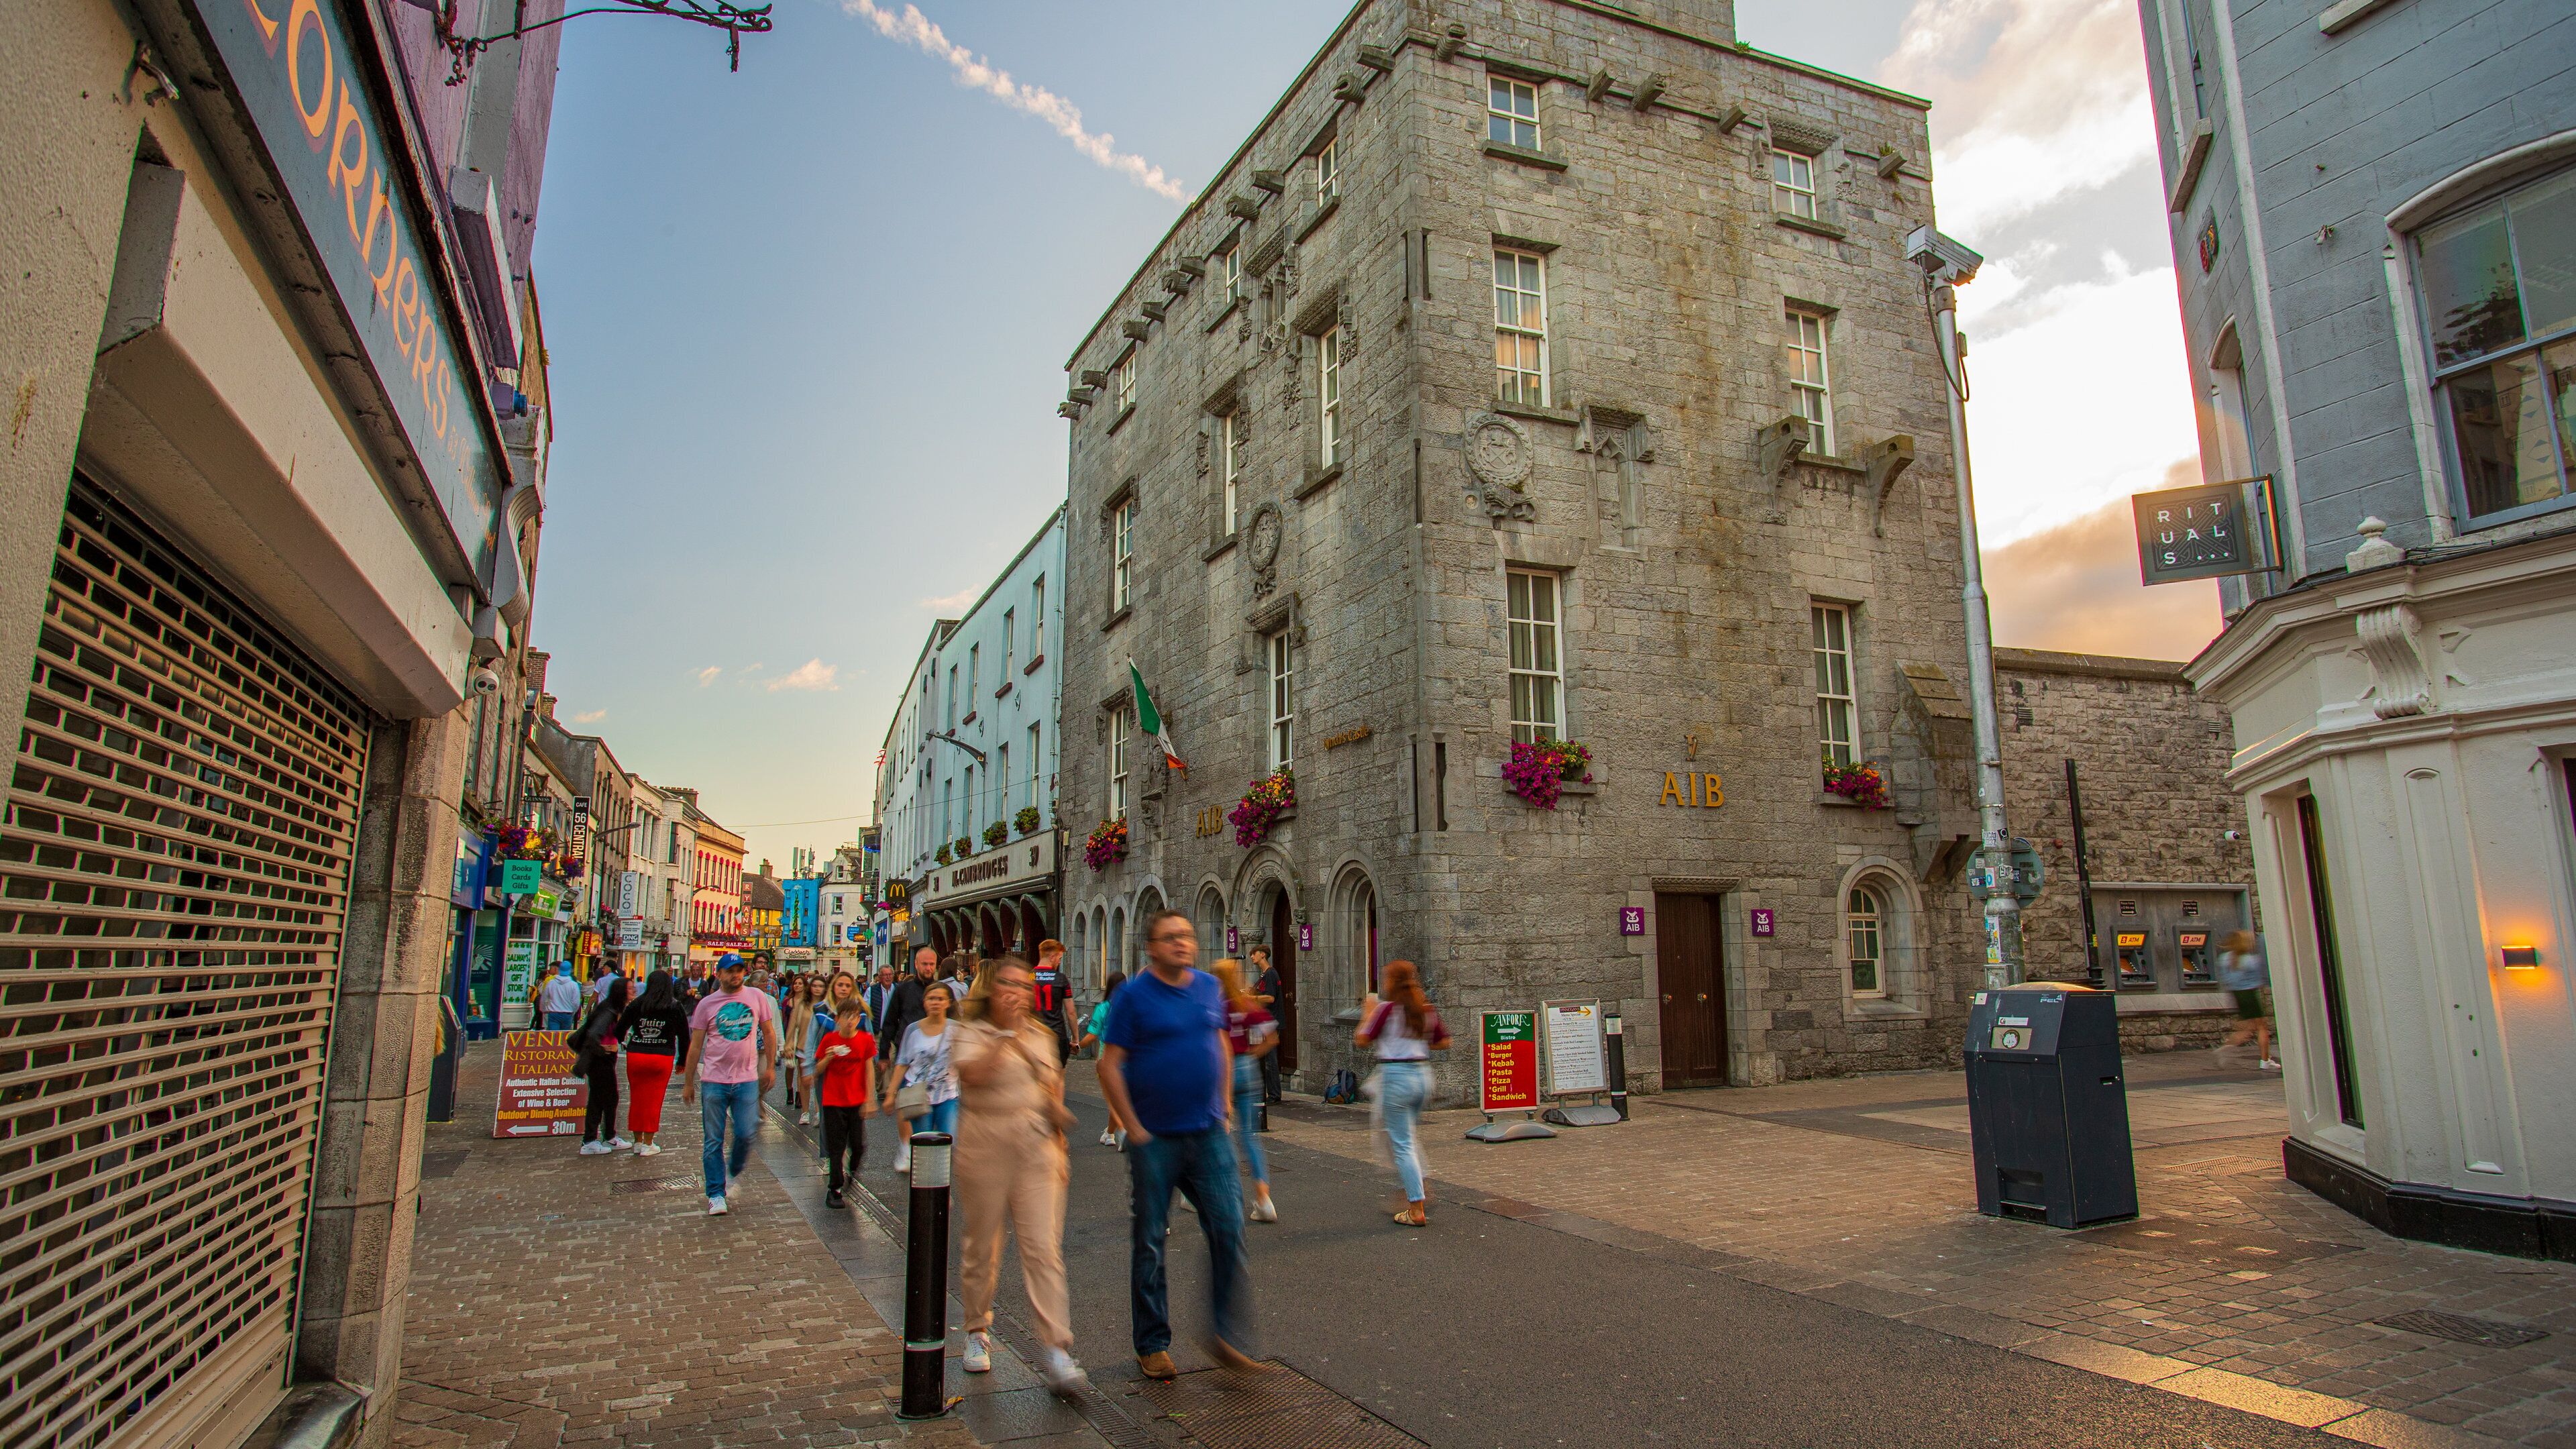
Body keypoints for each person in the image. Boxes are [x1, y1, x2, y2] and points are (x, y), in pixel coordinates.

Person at [1095, 910, 1258, 1380]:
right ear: (1151, 947)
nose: (1182, 944)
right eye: (1171, 938)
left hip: (1207, 1133)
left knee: (1229, 1229)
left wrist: (1224, 1104)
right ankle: (1152, 1344)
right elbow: (1109, 1065)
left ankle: (1225, 1335)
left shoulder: (1208, 987)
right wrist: (1134, 1128)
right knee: (1149, 1241)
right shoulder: (1133, 997)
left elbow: (1222, 1042)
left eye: (1186, 936)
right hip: (1155, 1137)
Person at [952, 956, 1085, 1391]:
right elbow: (972, 1075)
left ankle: (1057, 1348)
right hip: (986, 1142)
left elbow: (1049, 1090)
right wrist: (1006, 1036)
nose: (1018, 994)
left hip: (1035, 1147)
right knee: (983, 1247)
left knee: (1043, 1248)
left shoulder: (1045, 1037)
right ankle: (976, 1330)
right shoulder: (971, 1031)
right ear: (992, 989)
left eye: (1025, 987)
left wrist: (1060, 1148)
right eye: (1009, 985)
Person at [682, 952, 781, 1216]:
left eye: (739, 970)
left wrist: (770, 1067)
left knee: (746, 1133)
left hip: (747, 1079)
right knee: (713, 1140)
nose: (735, 975)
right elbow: (696, 1046)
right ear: (719, 974)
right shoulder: (707, 1004)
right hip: (714, 1080)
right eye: (730, 971)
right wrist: (689, 1082)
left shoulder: (756, 997)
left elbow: (769, 1032)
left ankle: (732, 1170)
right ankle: (716, 1193)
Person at [1356, 960, 1451, 1227]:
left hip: (1396, 1077)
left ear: (1391, 982)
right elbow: (1443, 1041)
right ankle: (1420, 1184)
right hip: (1422, 1076)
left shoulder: (1386, 1011)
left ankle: (1416, 1206)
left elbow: (1363, 1040)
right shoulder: (1424, 1009)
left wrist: (1367, 1012)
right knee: (1406, 1136)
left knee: (1402, 1144)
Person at [1211, 960, 1280, 1224]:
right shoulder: (1247, 1005)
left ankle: (1221, 1197)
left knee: (1219, 1135)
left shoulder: (1216, 1008)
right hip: (1248, 1069)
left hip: (1223, 1072)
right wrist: (1253, 1055)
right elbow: (1272, 1037)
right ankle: (1263, 1199)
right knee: (1250, 1136)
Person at [813, 986, 877, 1209]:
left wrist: (870, 1098)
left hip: (856, 1099)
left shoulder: (866, 1040)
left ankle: (851, 1171)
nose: (850, 1022)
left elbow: (869, 1069)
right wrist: (828, 1058)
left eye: (854, 1017)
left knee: (858, 1146)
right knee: (836, 1146)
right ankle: (835, 1189)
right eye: (845, 1017)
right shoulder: (830, 1040)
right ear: (837, 1019)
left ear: (859, 1019)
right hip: (833, 1100)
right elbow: (817, 1070)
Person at [619, 971, 693, 1157]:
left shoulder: (637, 1004)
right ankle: (648, 1142)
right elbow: (684, 1037)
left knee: (637, 1097)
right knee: (654, 1099)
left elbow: (620, 1030)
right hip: (662, 1055)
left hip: (637, 1054)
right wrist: (682, 1060)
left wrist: (624, 1040)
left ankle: (637, 1141)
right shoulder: (674, 1006)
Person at [893, 981, 960, 1174]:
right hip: (920, 1096)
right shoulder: (913, 1030)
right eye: (931, 998)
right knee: (923, 1146)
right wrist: (891, 1094)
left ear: (948, 1003)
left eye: (940, 999)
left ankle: (941, 1192)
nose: (936, 1003)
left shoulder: (957, 1030)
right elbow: (903, 1061)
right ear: (924, 1002)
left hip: (948, 1096)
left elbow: (966, 1060)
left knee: (947, 1144)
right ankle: (924, 1196)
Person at [574, 977, 631, 1155]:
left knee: (608, 1098)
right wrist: (604, 1049)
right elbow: (593, 1034)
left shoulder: (615, 1009)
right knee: (600, 1099)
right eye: (630, 989)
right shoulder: (609, 1011)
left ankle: (608, 1136)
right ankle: (591, 1141)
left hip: (605, 1060)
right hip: (600, 1061)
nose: (634, 991)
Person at [879, 946, 941, 1106]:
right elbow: (890, 1021)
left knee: (935, 1103)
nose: (928, 968)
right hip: (908, 1056)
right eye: (925, 964)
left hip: (936, 1057)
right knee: (909, 1107)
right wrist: (884, 1053)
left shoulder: (941, 991)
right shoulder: (904, 990)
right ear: (916, 964)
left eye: (932, 964)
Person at [2215, 930, 2277, 1069]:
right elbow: (2260, 979)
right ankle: (2265, 1061)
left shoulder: (2225, 959)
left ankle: (2227, 1047)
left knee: (2248, 1028)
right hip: (2250, 995)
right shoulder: (2251, 960)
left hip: (2237, 995)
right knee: (2262, 1028)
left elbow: (2226, 980)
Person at [1081, 971, 1127, 1147]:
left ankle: (1123, 1132)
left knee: (1112, 1099)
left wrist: (1078, 1046)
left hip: (1106, 1059)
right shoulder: (1130, 1007)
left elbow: (1092, 1035)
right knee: (1119, 1098)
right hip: (1128, 1058)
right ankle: (1109, 1134)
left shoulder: (1103, 1008)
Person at [1248, 946, 1284, 1104]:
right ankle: (1267, 1092)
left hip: (1272, 1021)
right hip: (1264, 1023)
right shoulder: (1263, 975)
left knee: (1270, 1060)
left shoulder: (1270, 973)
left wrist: (1253, 999)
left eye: (1253, 954)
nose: (1251, 957)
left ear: (1263, 954)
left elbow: (1270, 998)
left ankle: (1275, 1095)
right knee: (1266, 1059)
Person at [1031, 938, 1076, 1061]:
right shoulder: (1061, 979)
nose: (1059, 962)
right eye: (1059, 958)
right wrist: (1075, 1040)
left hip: (1033, 1035)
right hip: (1057, 1034)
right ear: (1052, 957)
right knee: (1058, 1076)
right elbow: (1071, 1012)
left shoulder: (1030, 976)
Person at [784, 975, 820, 1121]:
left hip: (820, 1048)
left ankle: (818, 1112)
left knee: (818, 1080)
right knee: (804, 1079)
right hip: (803, 1046)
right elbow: (793, 1025)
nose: (817, 989)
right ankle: (805, 1112)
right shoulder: (802, 1005)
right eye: (815, 986)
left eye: (820, 986)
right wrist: (788, 1045)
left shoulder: (827, 1005)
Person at [537, 963, 581, 1032]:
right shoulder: (574, 985)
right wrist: (573, 1011)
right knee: (564, 1036)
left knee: (553, 1036)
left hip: (553, 1014)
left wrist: (544, 1010)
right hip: (567, 1014)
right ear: (570, 971)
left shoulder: (551, 983)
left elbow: (544, 998)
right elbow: (576, 1002)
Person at [863, 965, 898, 1038]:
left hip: (895, 1033)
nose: (888, 977)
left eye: (890, 975)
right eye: (885, 975)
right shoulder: (872, 990)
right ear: (880, 977)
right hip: (877, 1033)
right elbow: (865, 1010)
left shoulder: (899, 989)